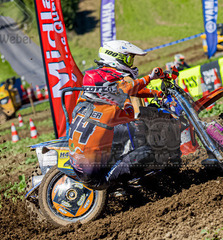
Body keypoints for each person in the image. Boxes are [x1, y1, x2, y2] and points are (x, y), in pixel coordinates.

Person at [68, 40, 166, 188]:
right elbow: (126, 89)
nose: (131, 63)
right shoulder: (108, 107)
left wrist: (157, 93)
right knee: (147, 149)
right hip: (96, 176)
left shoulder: (95, 97)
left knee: (132, 132)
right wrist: (150, 78)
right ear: (115, 57)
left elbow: (126, 90)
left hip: (85, 157)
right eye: (129, 59)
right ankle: (133, 182)